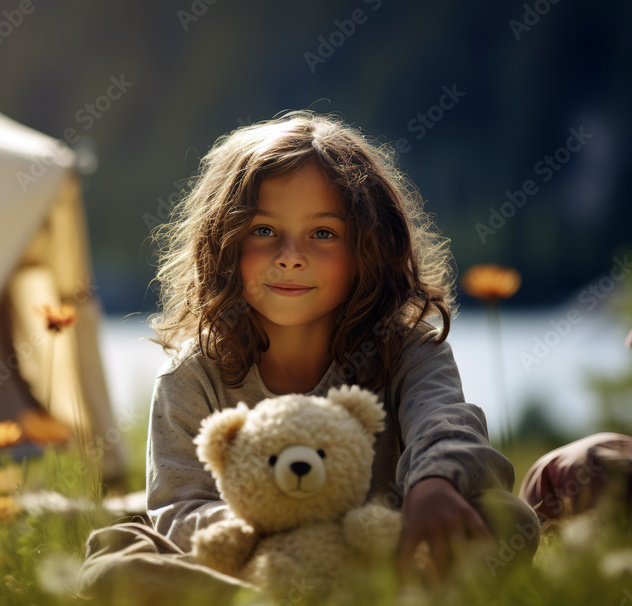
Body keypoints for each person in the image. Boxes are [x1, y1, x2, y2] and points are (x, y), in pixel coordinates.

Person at [79, 111, 538, 602]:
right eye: (262, 231)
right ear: (223, 244)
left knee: (507, 518)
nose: (290, 255)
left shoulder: (408, 351)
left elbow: (447, 425)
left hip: (381, 554)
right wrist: (286, 539)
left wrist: (435, 483)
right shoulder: (192, 376)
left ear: (369, 249)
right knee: (115, 550)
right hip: (252, 568)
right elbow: (179, 509)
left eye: (323, 233)